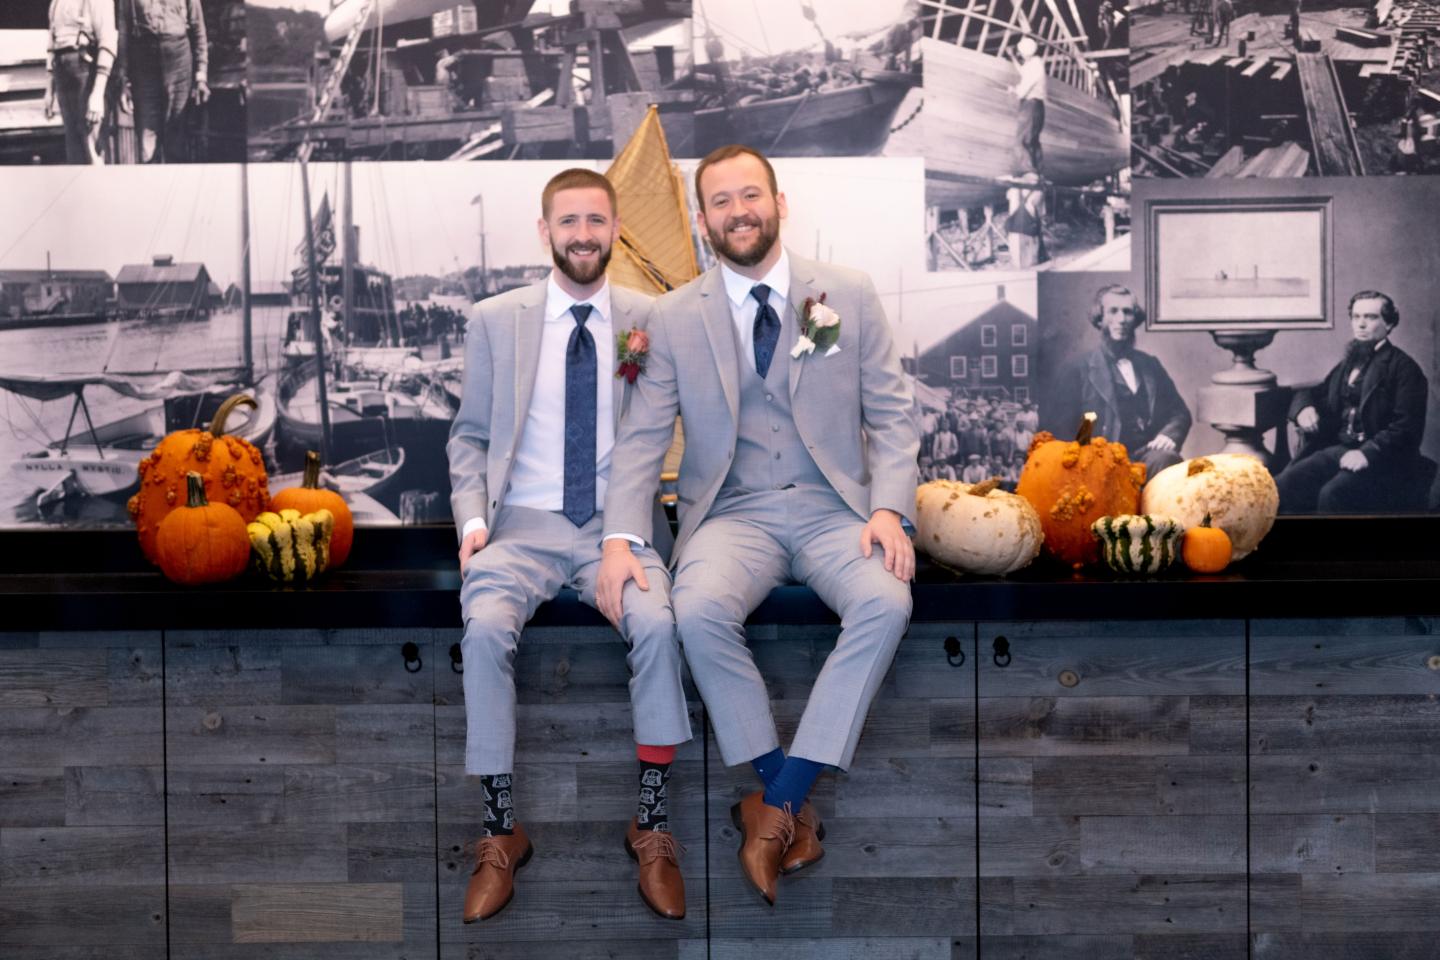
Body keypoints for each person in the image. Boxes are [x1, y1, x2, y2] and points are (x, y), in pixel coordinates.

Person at [595, 144, 918, 906]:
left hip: (838, 510)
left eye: (751, 196)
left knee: (888, 600)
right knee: (696, 611)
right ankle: (787, 800)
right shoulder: (672, 318)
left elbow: (895, 419)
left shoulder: (847, 293)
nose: (739, 212)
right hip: (731, 514)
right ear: (704, 219)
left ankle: (774, 803)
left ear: (780, 203)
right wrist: (617, 539)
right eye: (722, 202)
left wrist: (889, 509)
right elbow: (641, 440)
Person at [447, 168, 692, 923]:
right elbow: (470, 435)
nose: (583, 234)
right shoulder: (496, 319)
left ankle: (651, 826)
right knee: (485, 632)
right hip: (519, 526)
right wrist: (472, 520)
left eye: (596, 220)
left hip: (614, 528)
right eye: (569, 221)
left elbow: (653, 444)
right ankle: (499, 832)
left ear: (615, 230)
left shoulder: (652, 317)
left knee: (658, 624)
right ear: (545, 231)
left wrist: (623, 538)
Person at [1275, 291, 1428, 514]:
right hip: (1339, 449)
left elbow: (1406, 429)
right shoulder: (1348, 364)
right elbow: (1314, 393)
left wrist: (1368, 453)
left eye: (1370, 317)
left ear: (1389, 323)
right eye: (1356, 317)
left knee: (1333, 495)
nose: (1361, 325)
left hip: (1383, 459)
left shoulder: (1405, 369)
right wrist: (1304, 408)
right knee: (1283, 486)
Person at [1049, 285, 1191, 480]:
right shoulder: (1077, 369)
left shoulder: (1150, 365)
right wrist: (1088, 448)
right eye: (1113, 311)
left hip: (1145, 457)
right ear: (1100, 319)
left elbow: (1179, 412)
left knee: (1167, 460)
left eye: (1127, 312)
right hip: (1100, 461)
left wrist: (1168, 435)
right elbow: (1064, 430)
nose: (1121, 319)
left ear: (1135, 320)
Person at [118, 0, 209, 163]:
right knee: (147, 144)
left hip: (179, 62)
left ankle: (176, 187)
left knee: (177, 137)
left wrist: (201, 74)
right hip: (144, 66)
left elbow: (198, 28)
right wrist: (123, 79)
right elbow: (123, 33)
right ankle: (152, 185)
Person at [46, 0, 118, 163]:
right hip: (62, 73)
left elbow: (108, 41)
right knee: (73, 148)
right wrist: (49, 89)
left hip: (87, 73)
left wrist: (98, 94)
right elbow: (51, 43)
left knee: (92, 148)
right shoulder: (56, 3)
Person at [1011, 36, 1046, 176]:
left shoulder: (1034, 65)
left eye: (1020, 52)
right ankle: (1038, 172)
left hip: (1030, 105)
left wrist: (1014, 90)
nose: (1019, 54)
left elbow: (1024, 88)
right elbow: (1024, 72)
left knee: (1021, 141)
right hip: (1038, 106)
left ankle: (1029, 173)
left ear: (1025, 52)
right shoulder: (1035, 63)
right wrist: (1013, 58)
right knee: (1033, 141)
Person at [1006, 173, 1045, 269]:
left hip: (1018, 227)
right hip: (1027, 228)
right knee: (1028, 255)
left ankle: (1021, 264)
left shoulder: (1014, 190)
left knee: (1020, 254)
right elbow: (1041, 212)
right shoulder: (1037, 192)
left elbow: (1008, 196)